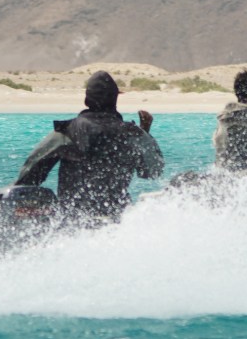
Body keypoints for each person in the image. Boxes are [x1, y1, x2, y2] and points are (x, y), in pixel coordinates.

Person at [14, 71, 163, 224]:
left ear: (86, 100)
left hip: (75, 220)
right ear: (115, 99)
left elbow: (30, 174)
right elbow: (153, 171)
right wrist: (145, 132)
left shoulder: (68, 132)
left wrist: (14, 195)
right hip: (118, 220)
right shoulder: (134, 135)